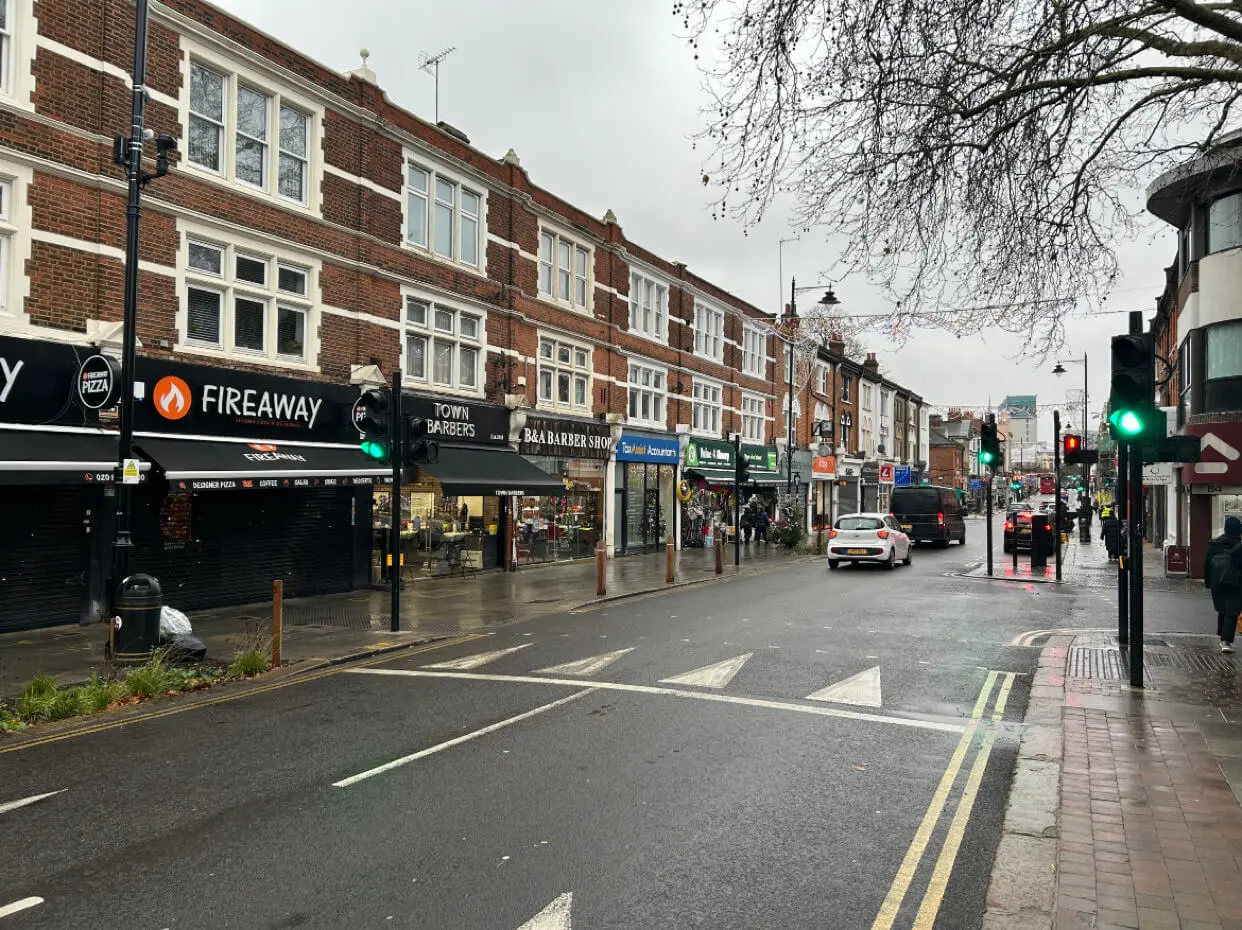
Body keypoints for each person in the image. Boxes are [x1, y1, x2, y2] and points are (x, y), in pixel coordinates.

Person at [1206, 517, 1242, 653]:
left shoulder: (1215, 544)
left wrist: (1208, 582)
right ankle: (1225, 641)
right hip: (1235, 582)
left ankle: (1222, 636)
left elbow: (1207, 564)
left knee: (1222, 609)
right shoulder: (1238, 545)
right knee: (1232, 611)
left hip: (1216, 581)